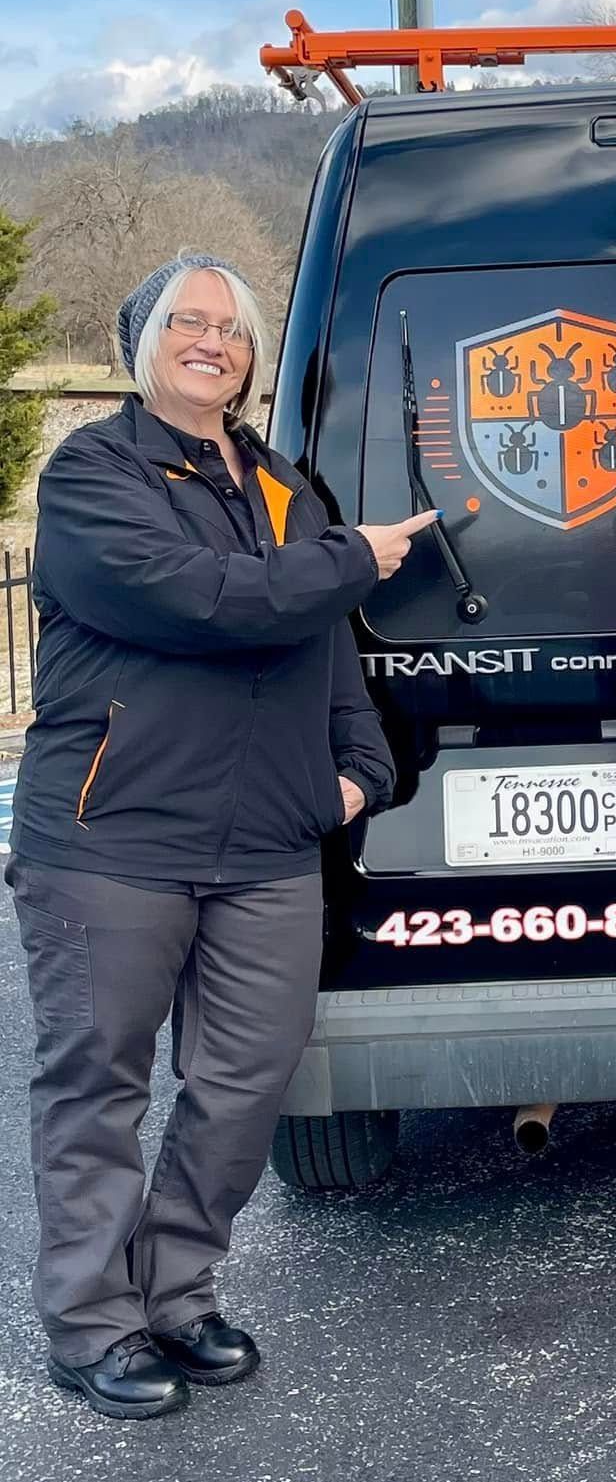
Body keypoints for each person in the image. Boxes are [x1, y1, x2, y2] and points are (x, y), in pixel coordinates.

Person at [7, 250, 437, 1420]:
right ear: (142, 345)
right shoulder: (95, 472)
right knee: (96, 1085)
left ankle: (176, 1290)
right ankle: (92, 1322)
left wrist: (358, 768)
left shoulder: (284, 483)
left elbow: (323, 637)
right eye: (189, 322)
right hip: (111, 838)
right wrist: (353, 555)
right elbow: (198, 597)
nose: (216, 341)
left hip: (264, 844)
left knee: (245, 1081)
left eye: (235, 329)